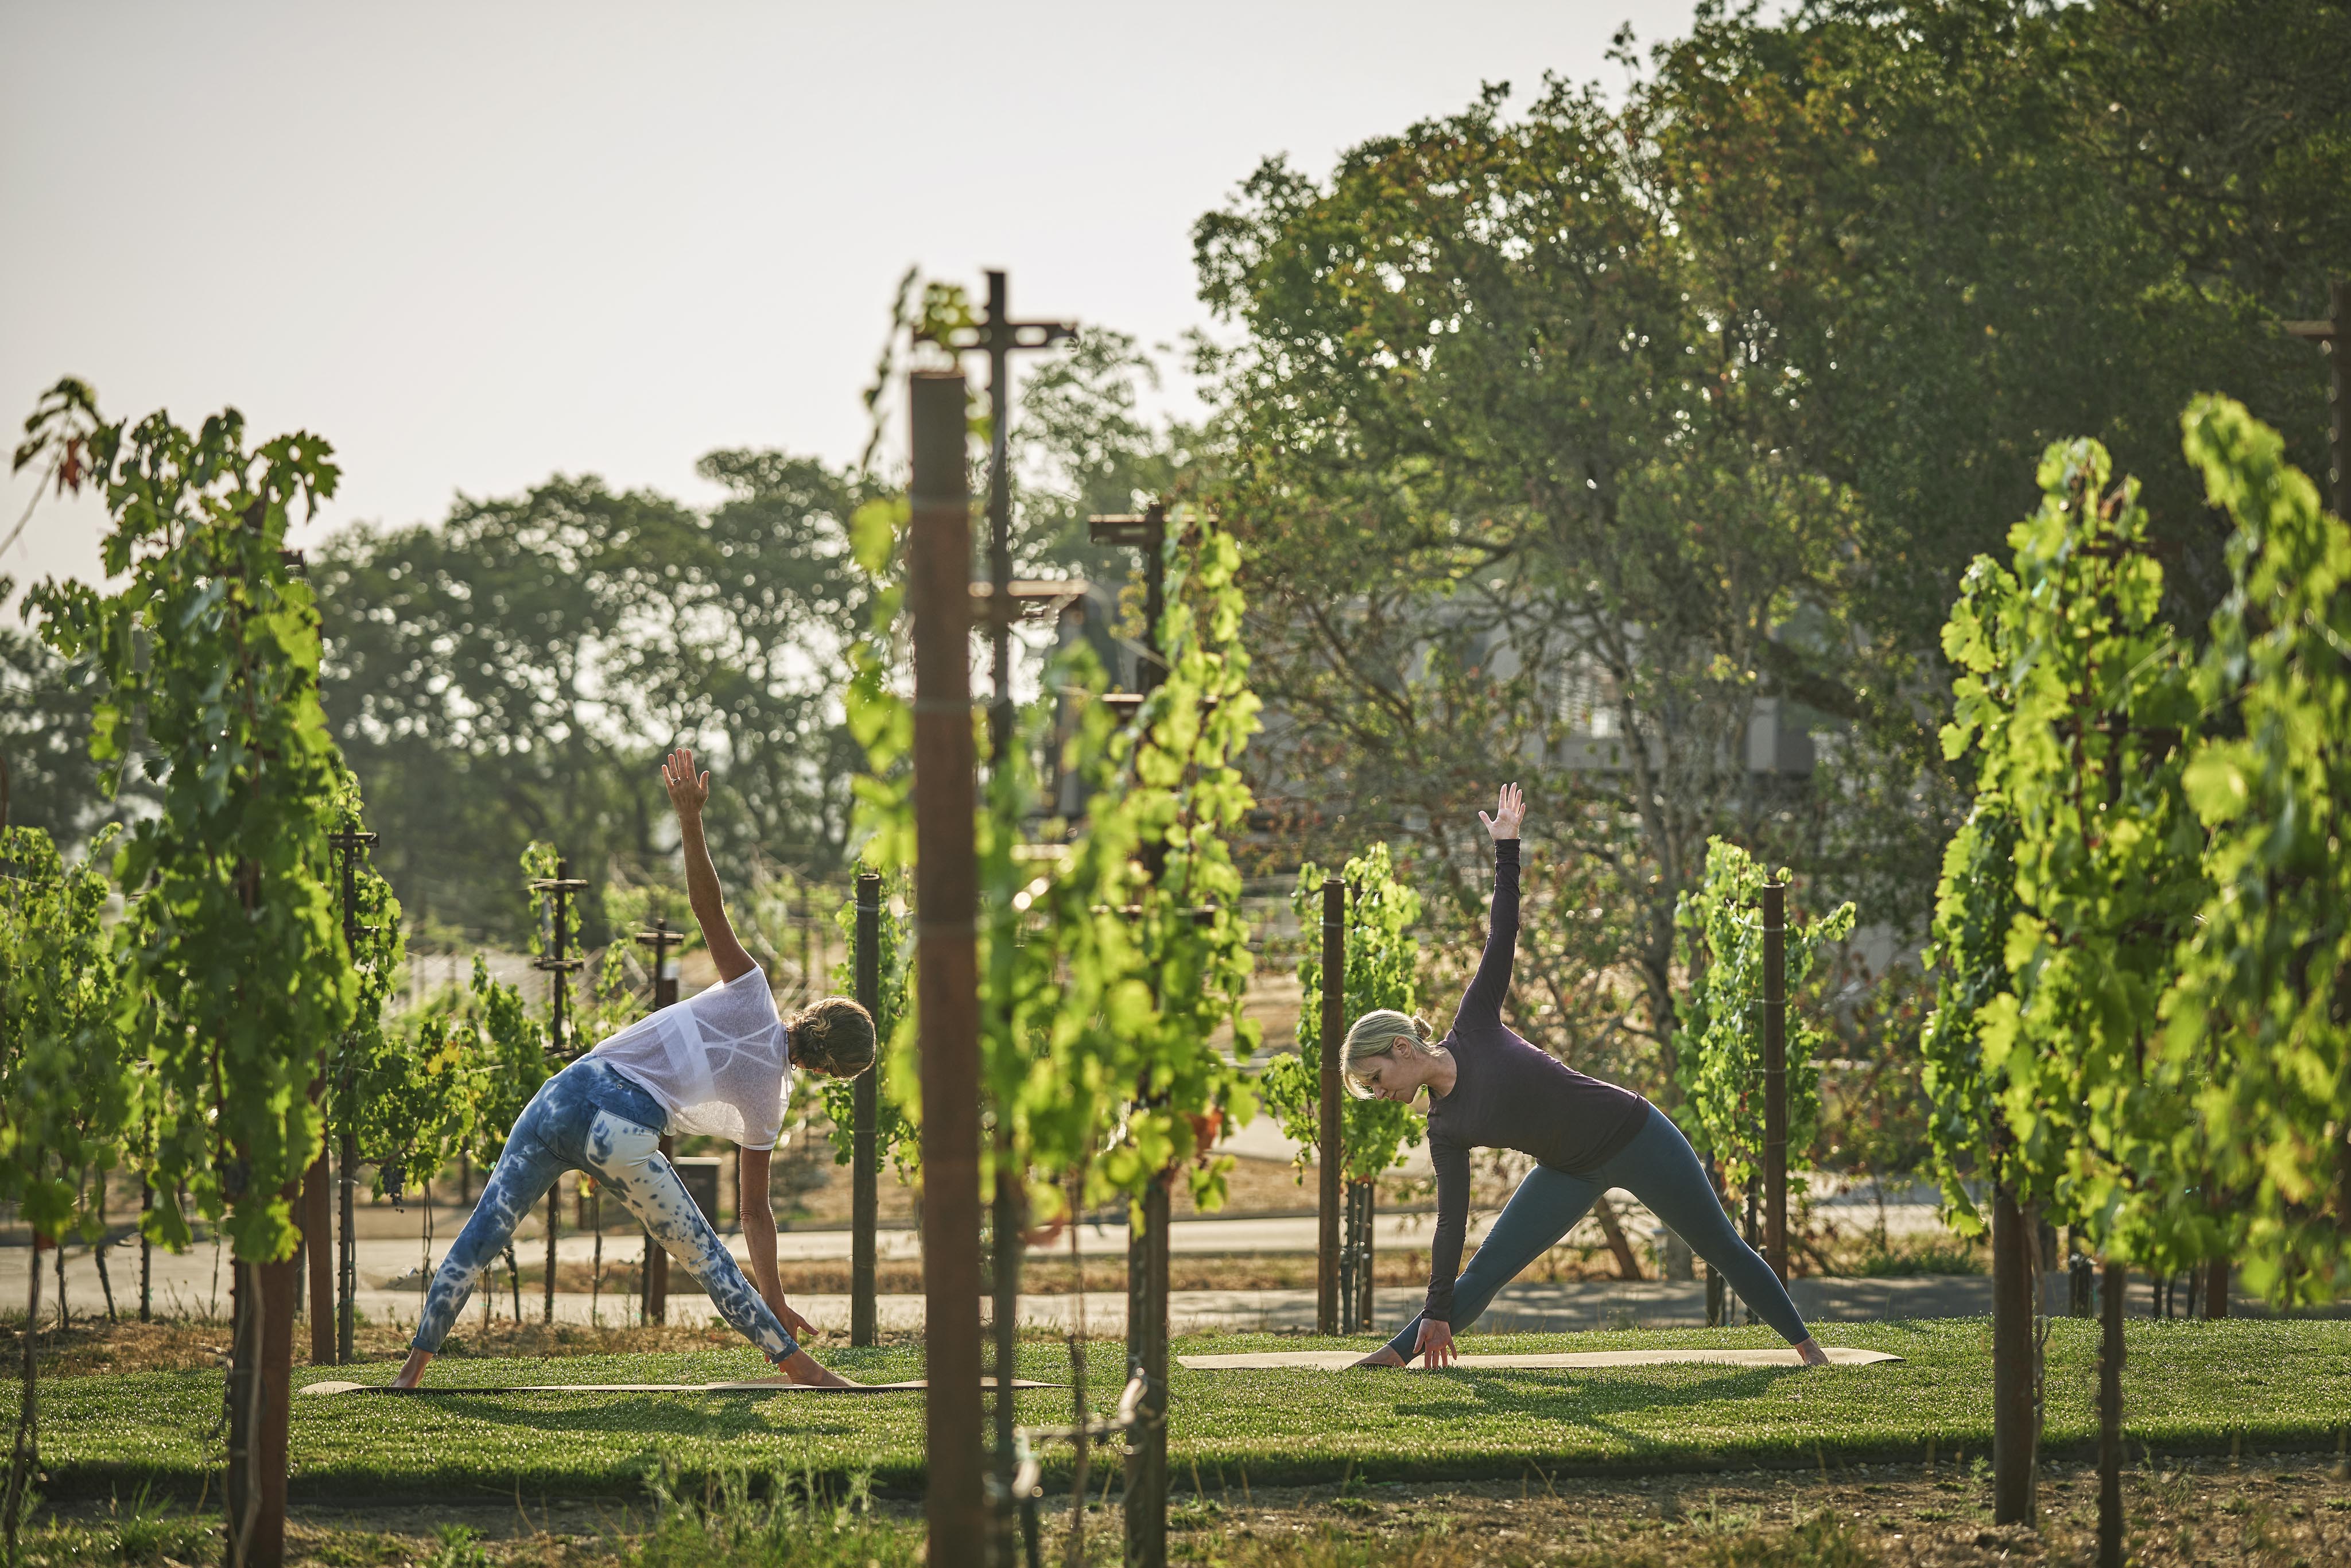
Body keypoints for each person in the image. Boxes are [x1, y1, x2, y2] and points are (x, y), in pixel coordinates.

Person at [391, 746, 872, 1389]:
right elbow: (755, 1215)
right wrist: (776, 1297)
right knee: (706, 1256)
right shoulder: (769, 1104)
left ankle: (412, 1368)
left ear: (814, 1009)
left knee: (480, 1236)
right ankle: (797, 1364)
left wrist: (690, 820)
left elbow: (708, 912)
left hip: (558, 1098)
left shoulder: (752, 990)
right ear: (831, 1072)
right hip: (618, 1130)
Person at [1349, 782, 1831, 1370]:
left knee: (1721, 1246)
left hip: (1636, 1135)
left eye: (1376, 1078)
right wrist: (1436, 1307)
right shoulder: (1444, 1127)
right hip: (1567, 1171)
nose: (1380, 1093)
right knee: (1487, 1270)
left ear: (1401, 1047)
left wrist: (1507, 849)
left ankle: (1810, 1351)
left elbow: (1502, 933)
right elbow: (1451, 1223)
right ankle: (1393, 1358)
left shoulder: (1473, 1025)